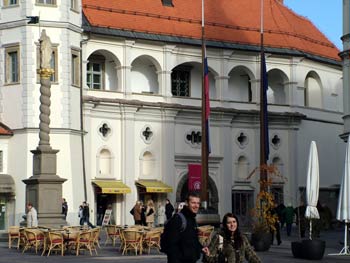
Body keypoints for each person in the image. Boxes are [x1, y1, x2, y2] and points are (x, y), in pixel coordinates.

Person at [162, 192, 205, 263]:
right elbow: (171, 245)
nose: (196, 205)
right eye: (193, 203)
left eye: (198, 203)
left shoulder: (192, 219)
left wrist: (201, 248)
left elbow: (192, 240)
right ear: (187, 203)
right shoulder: (178, 219)